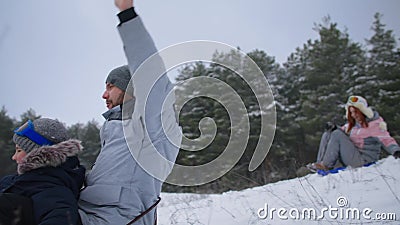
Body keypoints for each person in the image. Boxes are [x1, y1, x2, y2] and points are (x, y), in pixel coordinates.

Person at [78, 0, 181, 224]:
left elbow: (150, 71)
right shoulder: (114, 129)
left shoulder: (153, 128)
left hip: (117, 219)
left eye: (110, 86)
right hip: (85, 210)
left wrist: (127, 14)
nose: (104, 95)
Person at [0, 118, 86, 225]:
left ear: (37, 154)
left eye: (19, 150)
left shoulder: (51, 186)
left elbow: (60, 216)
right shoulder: (18, 180)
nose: (14, 157)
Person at [308, 95, 400, 172]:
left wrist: (396, 150)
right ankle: (320, 163)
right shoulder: (354, 125)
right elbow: (342, 131)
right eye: (351, 112)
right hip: (353, 156)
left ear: (363, 110)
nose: (353, 115)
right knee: (329, 133)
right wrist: (333, 127)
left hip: (363, 160)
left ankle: (326, 165)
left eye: (356, 112)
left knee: (336, 134)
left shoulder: (374, 124)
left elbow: (386, 139)